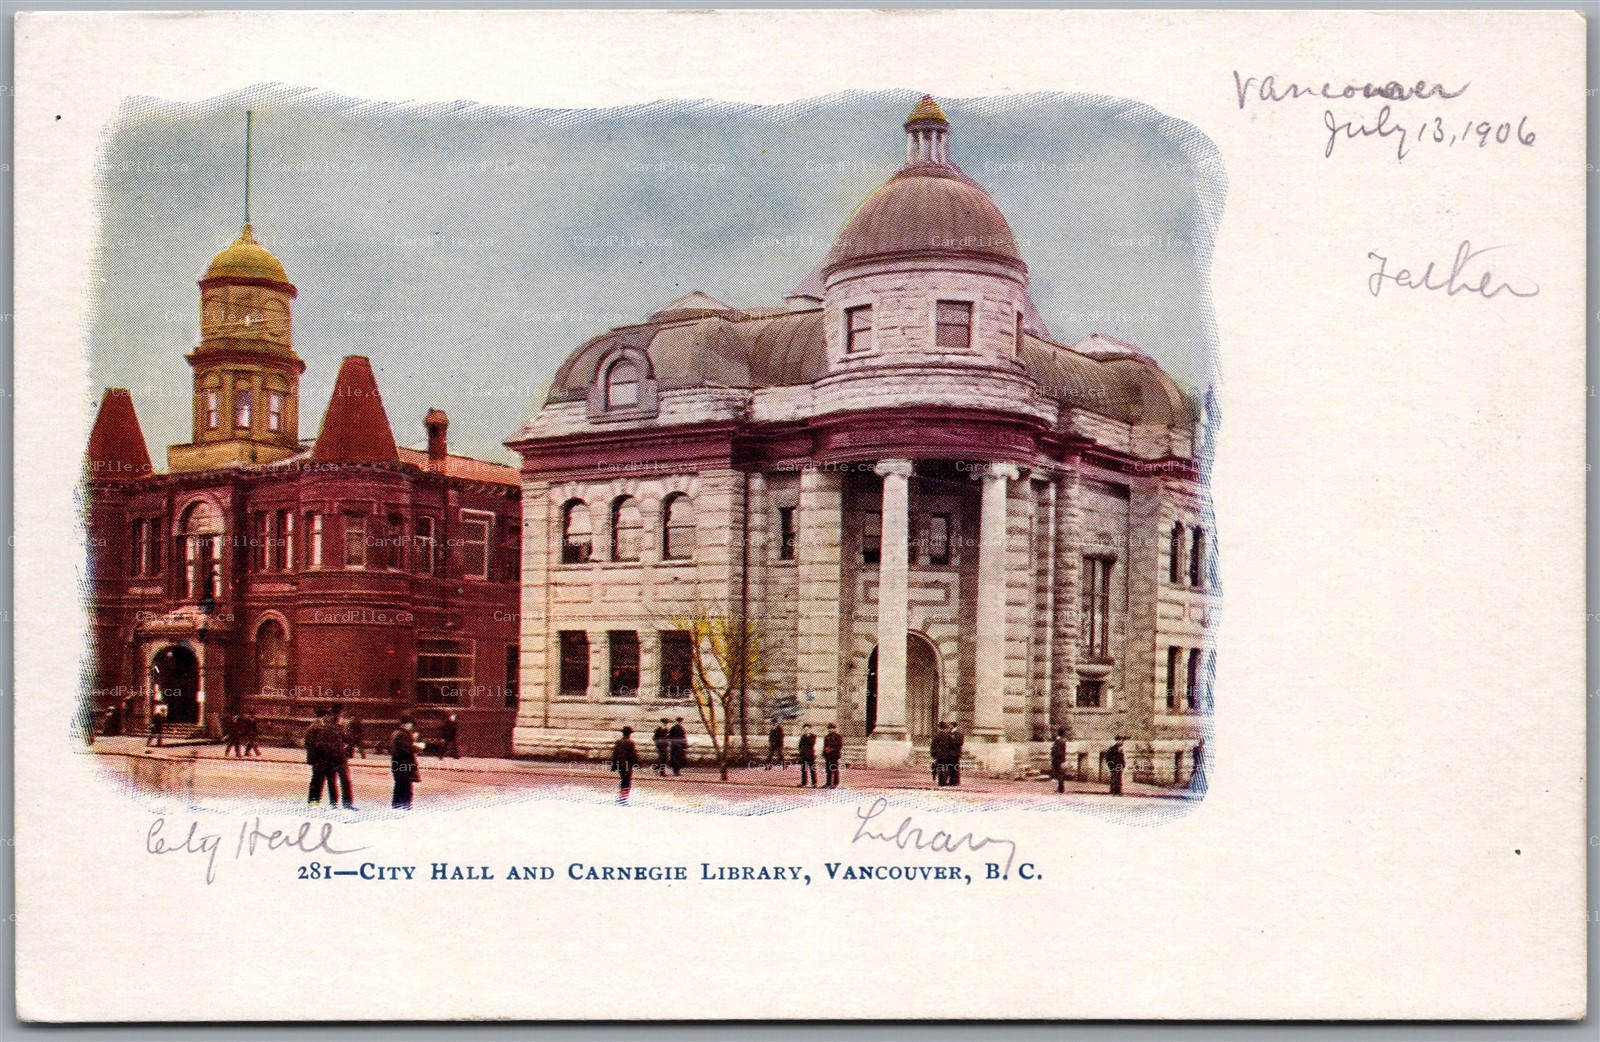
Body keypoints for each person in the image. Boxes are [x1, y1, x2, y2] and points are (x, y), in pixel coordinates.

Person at [304, 709, 341, 806]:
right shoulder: (315, 727)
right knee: (319, 783)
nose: (329, 718)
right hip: (320, 759)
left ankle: (332, 804)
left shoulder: (328, 727)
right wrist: (313, 760)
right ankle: (315, 804)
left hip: (328, 759)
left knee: (330, 783)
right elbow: (308, 743)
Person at [390, 717, 423, 809]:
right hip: (404, 764)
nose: (411, 726)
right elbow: (406, 749)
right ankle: (405, 806)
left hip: (398, 763)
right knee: (405, 786)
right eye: (410, 724)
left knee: (400, 786)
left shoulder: (397, 733)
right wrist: (419, 747)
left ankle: (397, 805)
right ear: (406, 724)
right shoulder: (402, 734)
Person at [332, 710, 358, 809]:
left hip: (341, 758)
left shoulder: (341, 729)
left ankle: (347, 803)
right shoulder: (330, 729)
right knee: (334, 781)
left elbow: (348, 739)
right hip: (332, 757)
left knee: (345, 780)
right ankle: (335, 803)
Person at [610, 726, 641, 803]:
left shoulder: (618, 742)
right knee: (627, 781)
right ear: (629, 734)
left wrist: (613, 766)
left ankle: (622, 795)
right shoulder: (630, 743)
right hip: (627, 765)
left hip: (620, 765)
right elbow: (633, 755)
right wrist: (638, 764)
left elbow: (615, 755)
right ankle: (624, 797)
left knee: (623, 779)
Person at [822, 723, 843, 788]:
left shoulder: (838, 736)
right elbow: (825, 746)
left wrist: (832, 749)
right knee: (828, 770)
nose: (830, 730)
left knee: (834, 769)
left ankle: (835, 783)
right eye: (829, 728)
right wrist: (824, 753)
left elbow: (839, 746)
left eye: (832, 728)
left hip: (834, 755)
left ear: (835, 729)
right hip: (828, 755)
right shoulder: (826, 737)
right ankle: (828, 783)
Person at [1050, 728, 1069, 794]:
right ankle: (1060, 788)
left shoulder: (1060, 741)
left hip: (1058, 760)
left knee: (1060, 774)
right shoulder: (1061, 741)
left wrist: (1054, 758)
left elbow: (1059, 752)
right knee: (1059, 774)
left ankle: (1061, 789)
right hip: (1059, 759)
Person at [947, 721, 964, 787]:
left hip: (955, 753)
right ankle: (951, 781)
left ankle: (956, 781)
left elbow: (960, 742)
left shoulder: (959, 734)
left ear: (953, 726)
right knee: (950, 767)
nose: (949, 727)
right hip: (949, 753)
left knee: (955, 767)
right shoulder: (948, 733)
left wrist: (952, 741)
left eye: (950, 725)